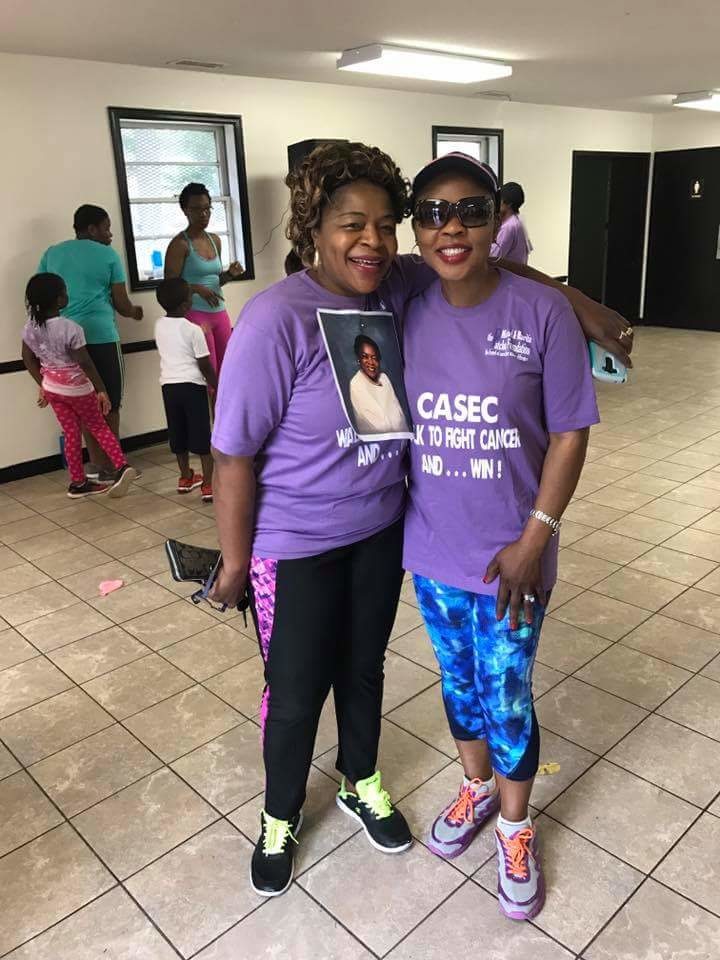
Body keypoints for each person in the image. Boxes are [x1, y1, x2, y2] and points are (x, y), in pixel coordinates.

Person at [208, 141, 631, 900]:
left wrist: (583, 305)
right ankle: (280, 815)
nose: (371, 241)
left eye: (384, 224)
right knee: (298, 689)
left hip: (383, 530)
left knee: (381, 674)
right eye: (351, 224)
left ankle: (374, 786)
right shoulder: (279, 317)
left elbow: (495, 271)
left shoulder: (394, 284)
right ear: (313, 227)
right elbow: (231, 452)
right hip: (308, 542)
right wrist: (234, 560)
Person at [403, 153, 599, 922]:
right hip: (432, 551)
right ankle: (476, 788)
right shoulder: (407, 304)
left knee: (506, 695)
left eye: (470, 210)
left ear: (496, 221)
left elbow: (571, 431)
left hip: (513, 556)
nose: (451, 228)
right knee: (458, 685)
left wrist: (535, 538)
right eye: (433, 213)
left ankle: (515, 828)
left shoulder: (540, 312)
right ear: (416, 228)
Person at [38, 204, 143, 479]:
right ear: (92, 229)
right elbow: (121, 303)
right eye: (107, 228)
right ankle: (115, 465)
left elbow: (39, 294)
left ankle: (98, 465)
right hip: (101, 337)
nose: (110, 235)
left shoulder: (51, 254)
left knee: (85, 403)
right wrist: (135, 312)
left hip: (64, 341)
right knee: (111, 402)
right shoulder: (108, 255)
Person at [21, 273, 137, 499]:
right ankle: (122, 466)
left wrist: (43, 384)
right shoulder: (70, 328)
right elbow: (84, 362)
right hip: (77, 389)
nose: (67, 295)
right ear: (58, 300)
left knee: (71, 433)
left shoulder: (30, 328)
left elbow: (27, 358)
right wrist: (101, 389)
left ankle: (77, 483)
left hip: (53, 389)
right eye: (64, 292)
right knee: (98, 426)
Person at [164, 183, 244, 376]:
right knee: (208, 373)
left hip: (220, 313)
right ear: (185, 210)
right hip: (195, 314)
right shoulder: (180, 244)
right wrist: (196, 289)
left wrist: (230, 274)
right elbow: (170, 288)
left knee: (227, 371)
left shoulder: (215, 240)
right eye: (197, 209)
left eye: (207, 208)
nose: (204, 214)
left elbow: (216, 281)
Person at [154, 278, 217, 503]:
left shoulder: (159, 324)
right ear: (185, 305)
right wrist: (217, 385)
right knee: (202, 436)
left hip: (169, 387)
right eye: (190, 297)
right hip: (192, 386)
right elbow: (204, 365)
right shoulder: (193, 330)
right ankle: (208, 484)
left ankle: (185, 477)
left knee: (177, 432)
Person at [349, 334, 409, 435]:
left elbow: (401, 419)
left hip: (398, 441)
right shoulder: (356, 384)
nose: (371, 362)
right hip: (376, 442)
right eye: (365, 357)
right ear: (359, 359)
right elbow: (381, 426)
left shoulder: (384, 379)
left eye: (374, 357)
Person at [491, 182, 533, 264]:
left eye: (499, 201)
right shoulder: (518, 221)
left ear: (509, 204)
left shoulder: (508, 227)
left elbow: (493, 256)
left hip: (507, 271)